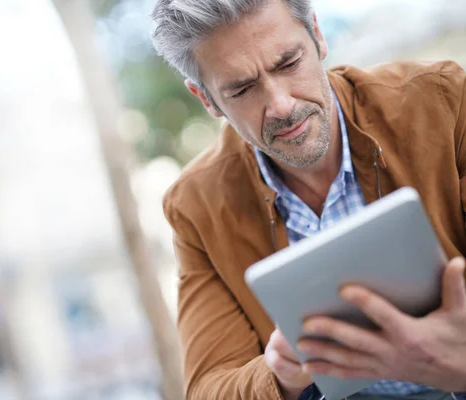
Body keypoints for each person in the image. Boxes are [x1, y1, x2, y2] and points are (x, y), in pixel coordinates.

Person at [150, 0, 466, 399]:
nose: (281, 104)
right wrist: (278, 373)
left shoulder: (444, 102)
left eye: (288, 64)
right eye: (243, 89)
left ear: (317, 35)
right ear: (206, 99)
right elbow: (209, 388)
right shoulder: (196, 205)